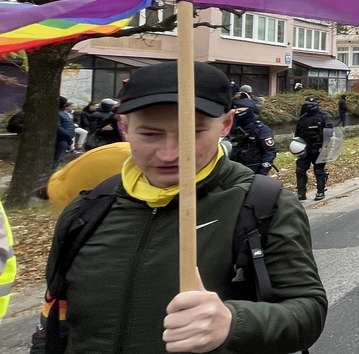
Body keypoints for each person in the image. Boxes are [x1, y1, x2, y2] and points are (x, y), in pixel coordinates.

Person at [33, 61, 326, 352]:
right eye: (149, 134)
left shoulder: (263, 205)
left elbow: (307, 311)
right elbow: (54, 318)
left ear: (225, 124)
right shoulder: (89, 208)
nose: (169, 153)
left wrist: (233, 323)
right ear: (124, 127)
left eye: (192, 133)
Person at [294, 96, 332, 201]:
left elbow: (329, 133)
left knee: (319, 171)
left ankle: (320, 191)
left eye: (311, 105)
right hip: (305, 149)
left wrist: (324, 147)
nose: (309, 107)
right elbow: (297, 134)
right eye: (308, 105)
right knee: (300, 170)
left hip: (319, 149)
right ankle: (301, 193)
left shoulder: (323, 117)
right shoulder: (303, 117)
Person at [228, 97, 276, 175]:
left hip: (254, 170)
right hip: (234, 170)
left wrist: (263, 172)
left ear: (249, 110)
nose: (237, 114)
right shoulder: (231, 128)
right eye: (235, 111)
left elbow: (269, 151)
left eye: (240, 111)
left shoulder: (261, 129)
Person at [55, 97, 75, 167]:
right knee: (56, 159)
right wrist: (68, 136)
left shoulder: (63, 113)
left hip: (65, 139)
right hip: (61, 139)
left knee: (59, 158)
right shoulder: (58, 114)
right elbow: (58, 127)